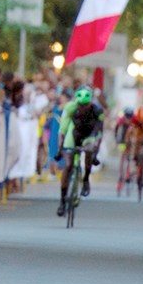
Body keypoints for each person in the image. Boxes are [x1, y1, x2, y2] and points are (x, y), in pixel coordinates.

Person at [56, 86, 104, 216]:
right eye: (80, 105)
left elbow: (99, 133)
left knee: (89, 150)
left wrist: (95, 152)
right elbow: (62, 130)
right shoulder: (70, 107)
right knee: (67, 166)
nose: (83, 108)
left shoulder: (97, 110)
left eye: (86, 105)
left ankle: (86, 179)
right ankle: (62, 200)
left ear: (90, 103)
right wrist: (60, 150)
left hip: (89, 134)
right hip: (74, 133)